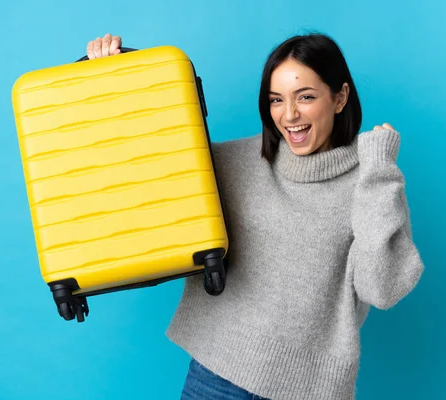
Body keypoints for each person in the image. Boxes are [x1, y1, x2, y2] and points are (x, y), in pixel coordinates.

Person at [85, 32, 425, 400]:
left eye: (305, 97)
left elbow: (383, 287)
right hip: (216, 378)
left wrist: (378, 170)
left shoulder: (373, 182)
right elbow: (140, 169)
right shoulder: (235, 164)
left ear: (340, 96)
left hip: (308, 391)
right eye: (276, 100)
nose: (289, 115)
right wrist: (113, 80)